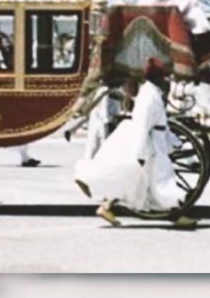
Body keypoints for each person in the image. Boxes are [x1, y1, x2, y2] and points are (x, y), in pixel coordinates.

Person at [74, 57, 197, 228]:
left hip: (155, 141)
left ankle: (106, 207)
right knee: (162, 178)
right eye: (164, 76)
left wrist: (173, 141)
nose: (167, 79)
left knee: (134, 179)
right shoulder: (149, 95)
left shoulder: (152, 92)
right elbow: (142, 125)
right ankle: (177, 215)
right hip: (150, 145)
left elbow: (161, 125)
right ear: (157, 77)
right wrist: (140, 153)